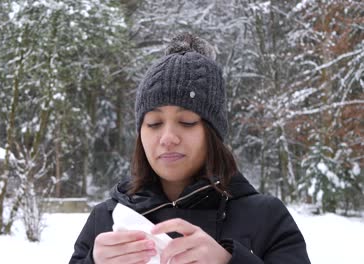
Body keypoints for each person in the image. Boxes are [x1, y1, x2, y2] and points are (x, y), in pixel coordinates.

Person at [69, 33, 311, 264]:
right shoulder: (107, 218)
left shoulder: (265, 218)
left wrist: (229, 260)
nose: (167, 138)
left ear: (213, 132)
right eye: (153, 123)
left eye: (186, 122)